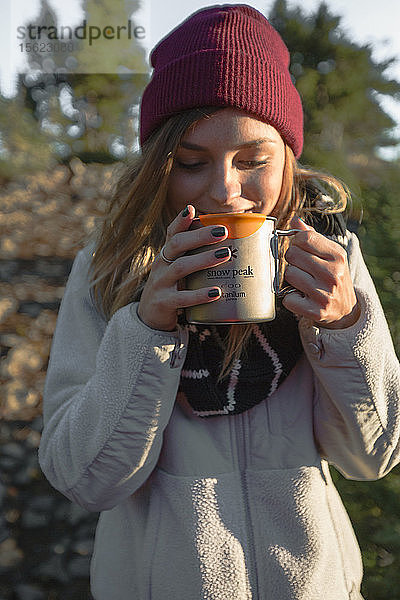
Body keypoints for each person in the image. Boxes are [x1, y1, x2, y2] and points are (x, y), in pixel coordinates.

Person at [39, 5, 400, 599]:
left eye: (254, 160)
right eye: (190, 162)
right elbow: (84, 480)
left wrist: (344, 326)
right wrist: (147, 332)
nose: (224, 190)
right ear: (158, 166)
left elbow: (373, 455)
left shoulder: (330, 261)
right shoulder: (110, 272)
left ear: (289, 159)